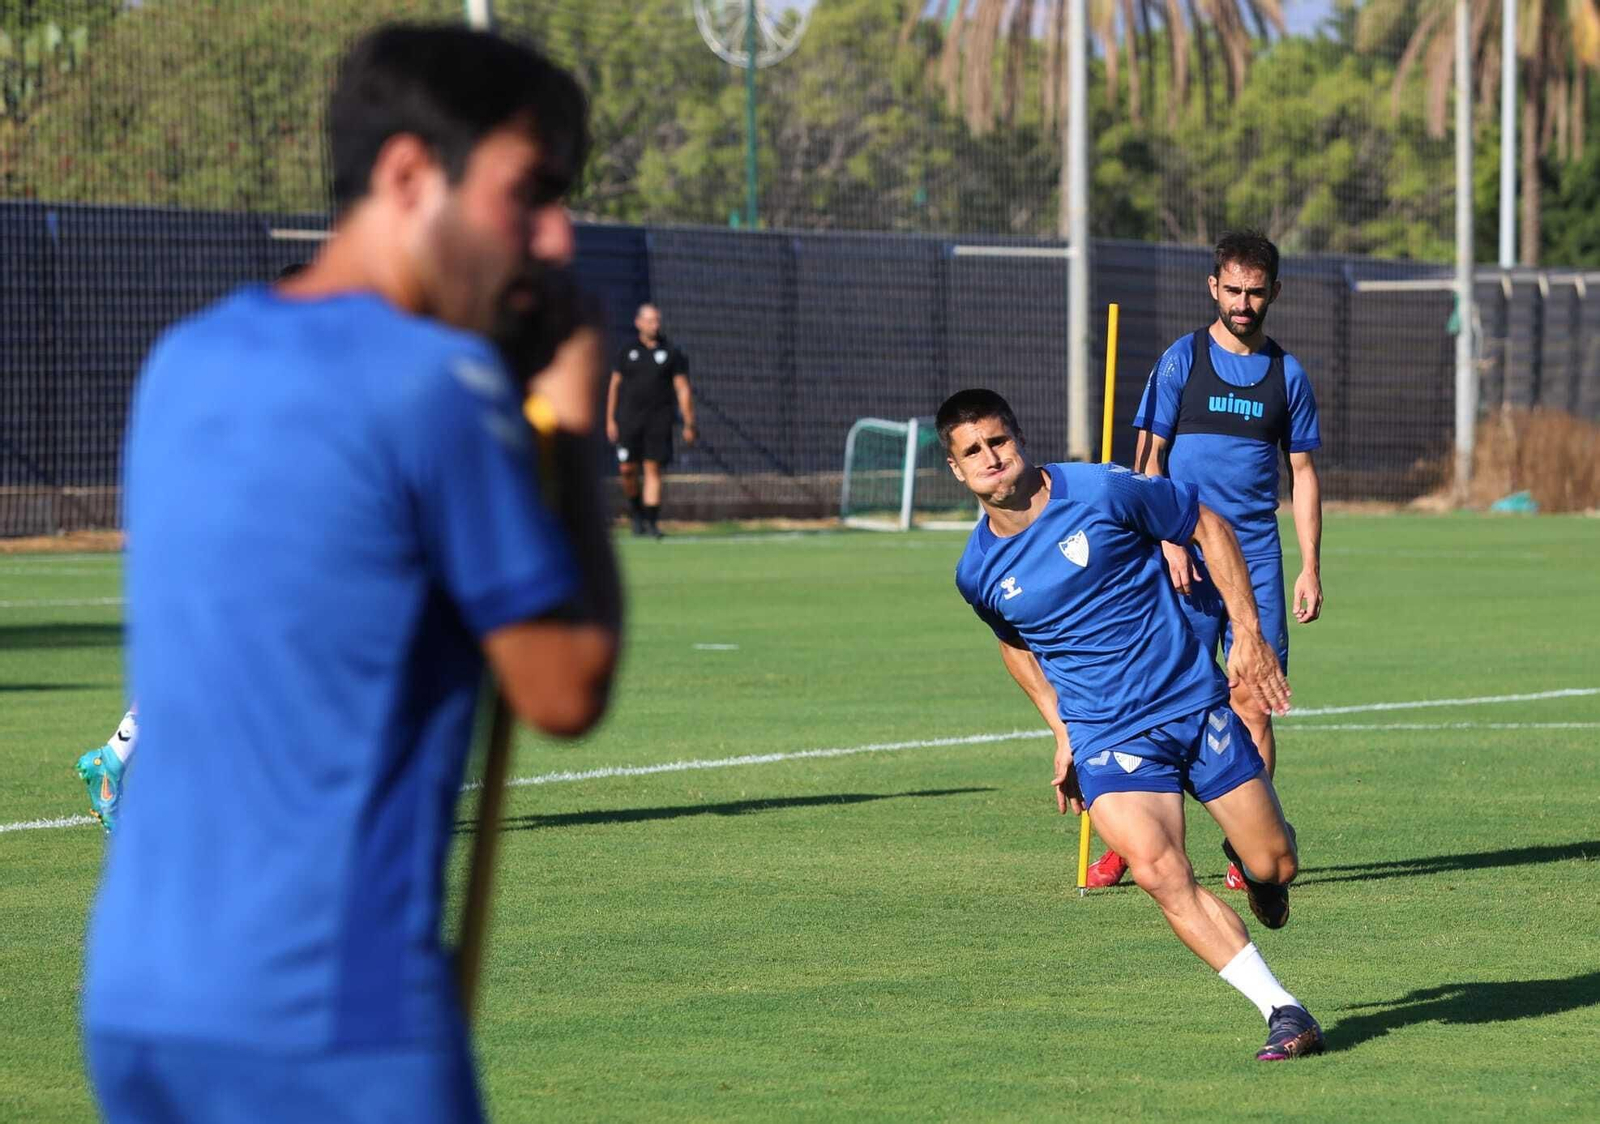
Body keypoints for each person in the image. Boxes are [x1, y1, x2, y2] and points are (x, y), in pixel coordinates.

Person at [82, 24, 621, 1123]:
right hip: (329, 1011)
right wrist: (570, 419)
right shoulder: (437, 385)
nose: (555, 238)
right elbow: (563, 687)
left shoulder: (186, 359)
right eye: (529, 194)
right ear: (410, 173)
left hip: (139, 997)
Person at [939, 387, 1324, 1062]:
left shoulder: (1101, 489)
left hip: (1190, 705)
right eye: (973, 451)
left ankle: (1259, 871)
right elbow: (1015, 643)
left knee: (1275, 861)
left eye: (997, 440)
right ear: (956, 468)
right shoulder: (977, 571)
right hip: (1107, 736)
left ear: (1018, 437)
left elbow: (1207, 525)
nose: (990, 458)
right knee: (1156, 870)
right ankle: (1282, 1010)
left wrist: (1247, 633)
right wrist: (1061, 729)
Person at [1086, 230, 1324, 892]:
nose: (1243, 303)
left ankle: (1249, 848)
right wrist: (1165, 539)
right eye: (1233, 290)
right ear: (1214, 287)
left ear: (1274, 293)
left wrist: (1310, 564)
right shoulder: (1181, 361)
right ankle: (1137, 842)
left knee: (1253, 702)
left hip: (1255, 562)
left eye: (1256, 292)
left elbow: (1303, 474)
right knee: (1156, 703)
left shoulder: (1287, 375)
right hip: (1182, 555)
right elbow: (1149, 460)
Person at [605, 302, 695, 537]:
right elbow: (614, 386)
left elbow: (683, 388)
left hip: (658, 421)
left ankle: (652, 522)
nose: (655, 325)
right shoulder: (627, 351)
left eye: (657, 320)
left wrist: (689, 422)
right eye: (650, 320)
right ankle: (636, 513)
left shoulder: (672, 353)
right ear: (638, 323)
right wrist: (610, 419)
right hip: (628, 421)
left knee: (652, 468)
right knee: (627, 469)